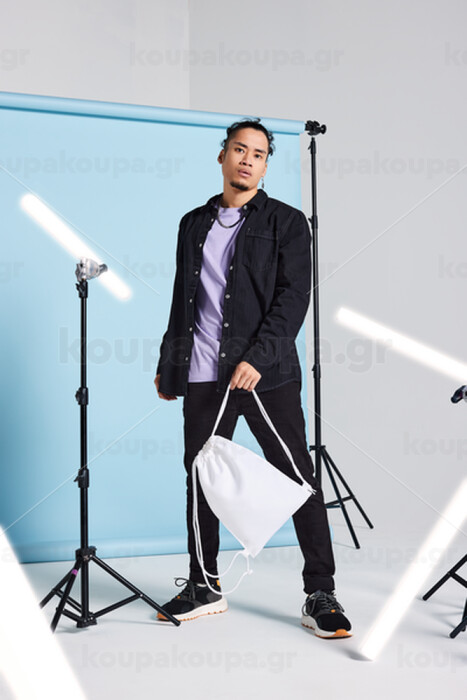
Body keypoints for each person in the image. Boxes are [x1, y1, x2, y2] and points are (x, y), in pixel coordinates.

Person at [154, 119, 351, 639]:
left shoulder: (287, 222)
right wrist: (170, 363)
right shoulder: (192, 223)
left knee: (298, 476)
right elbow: (182, 299)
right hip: (203, 372)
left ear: (265, 166)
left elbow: (294, 297)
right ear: (222, 155)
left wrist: (259, 357)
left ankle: (320, 591)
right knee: (201, 477)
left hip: (266, 375)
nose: (247, 159)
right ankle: (204, 586)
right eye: (239, 149)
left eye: (258, 154)